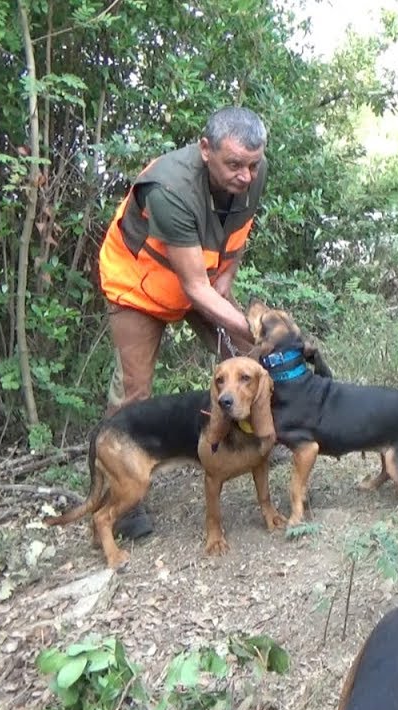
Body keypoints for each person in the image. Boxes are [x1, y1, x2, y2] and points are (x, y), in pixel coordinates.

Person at [96, 106, 268, 539]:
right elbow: (194, 288)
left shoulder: (251, 173)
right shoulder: (170, 187)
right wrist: (254, 328)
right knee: (134, 391)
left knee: (246, 361)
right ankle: (117, 497)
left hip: (200, 281)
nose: (245, 176)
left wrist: (227, 292)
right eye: (234, 165)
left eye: (252, 164)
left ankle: (251, 443)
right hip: (140, 287)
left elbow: (234, 244)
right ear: (205, 149)